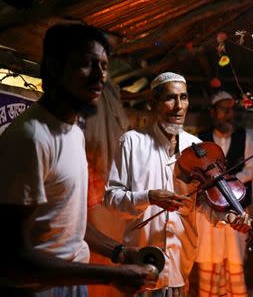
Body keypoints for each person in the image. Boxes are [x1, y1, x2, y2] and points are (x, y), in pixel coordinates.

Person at [0, 23, 155, 296]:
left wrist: (119, 253)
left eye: (104, 66)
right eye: (87, 64)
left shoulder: (73, 132)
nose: (100, 76)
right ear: (55, 67)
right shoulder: (30, 139)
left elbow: (70, 227)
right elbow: (13, 261)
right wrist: (110, 276)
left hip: (70, 285)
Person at [104, 73, 252, 297]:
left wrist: (229, 218)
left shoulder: (197, 147)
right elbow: (112, 199)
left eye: (183, 98)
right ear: (154, 103)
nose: (178, 106)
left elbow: (203, 202)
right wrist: (149, 197)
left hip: (179, 262)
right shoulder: (132, 142)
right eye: (170, 98)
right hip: (140, 261)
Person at [194, 91, 253, 296]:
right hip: (208, 211)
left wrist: (229, 182)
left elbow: (252, 169)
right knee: (209, 255)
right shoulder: (200, 139)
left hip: (235, 209)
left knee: (234, 257)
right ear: (213, 112)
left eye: (231, 110)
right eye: (224, 110)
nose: (229, 114)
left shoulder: (243, 136)